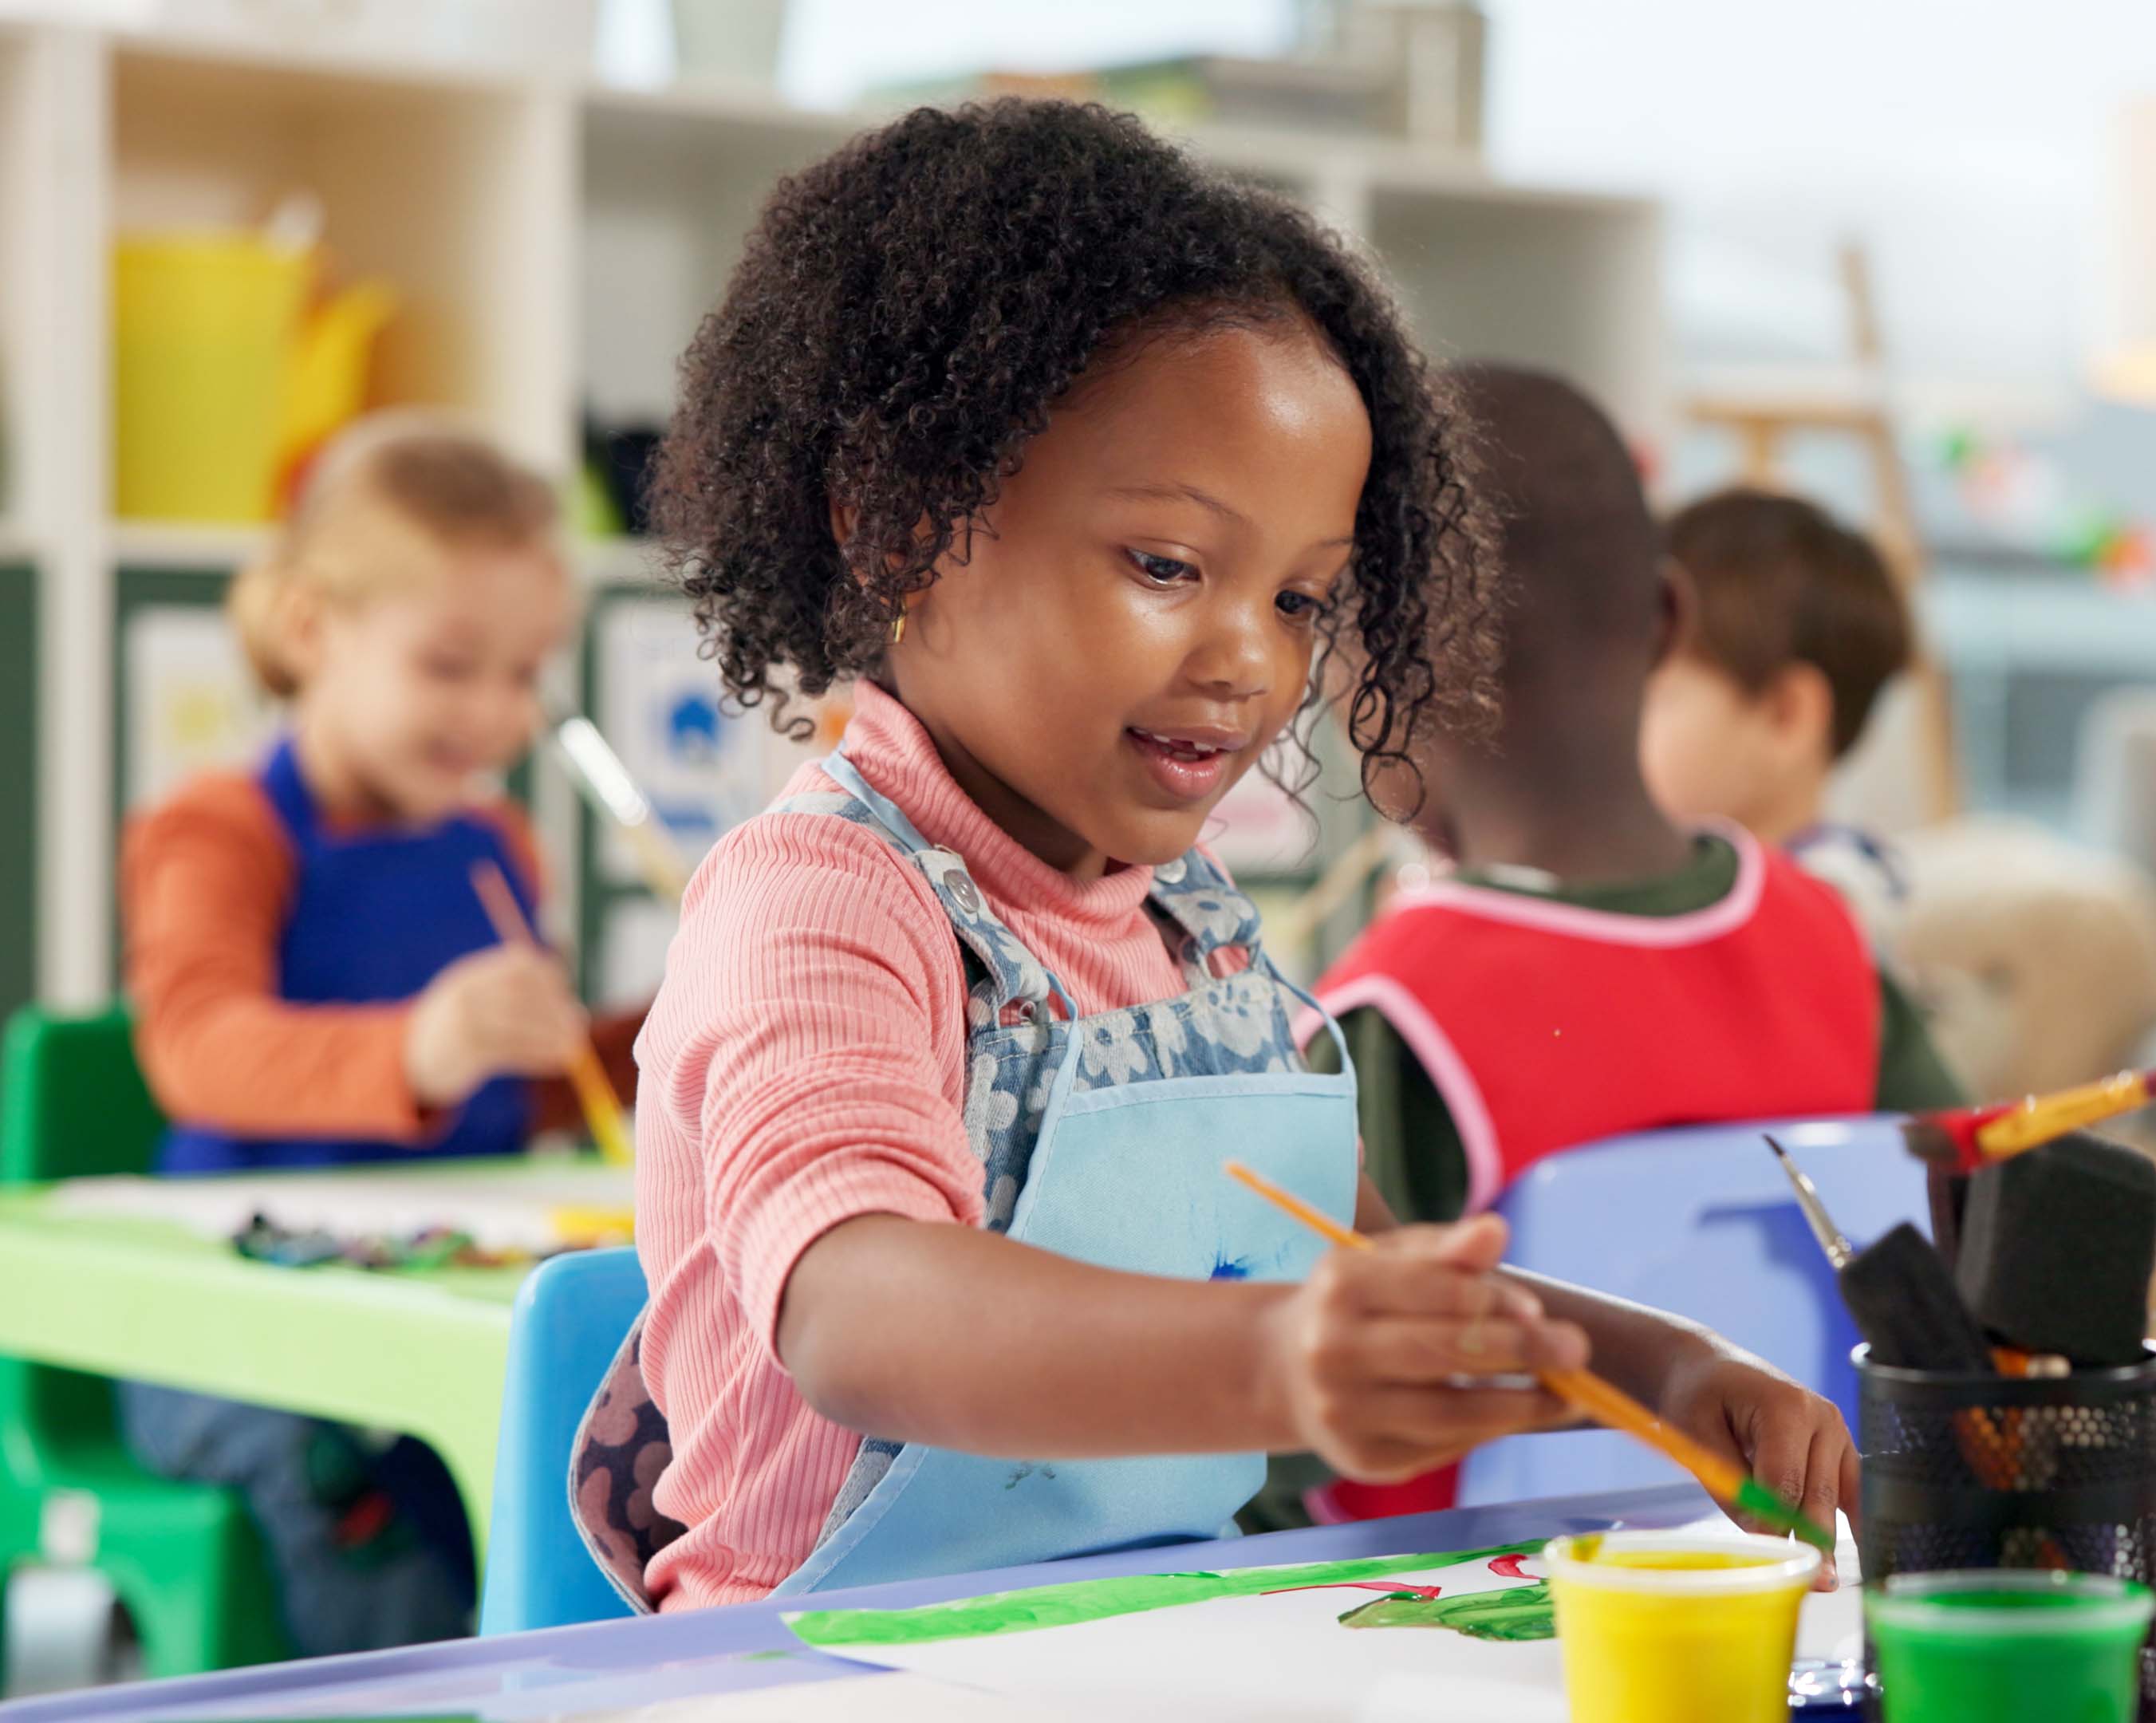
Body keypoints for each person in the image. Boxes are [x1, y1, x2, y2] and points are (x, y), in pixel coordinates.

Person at [593, 103, 1854, 1612]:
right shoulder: (820, 900)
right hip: (815, 1671)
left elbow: (1374, 1268)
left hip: (1152, 1639)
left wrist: (1648, 1363)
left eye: (1303, 601)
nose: (1249, 662)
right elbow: (860, 1306)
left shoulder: (1200, 931)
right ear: (896, 529)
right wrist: (1273, 1367)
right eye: (1167, 567)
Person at [1304, 369, 1967, 1520]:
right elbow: (1960, 1225)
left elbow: (1300, 1434)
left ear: (1360, 665)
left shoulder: (1391, 1012)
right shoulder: (1824, 935)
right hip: (1797, 1579)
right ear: (1667, 619)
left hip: (1443, 1622)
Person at [118, 415, 630, 1651]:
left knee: (598, 1438)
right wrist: (414, 1052)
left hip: (434, 1299)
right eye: (450, 665)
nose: (494, 717)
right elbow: (194, 1043)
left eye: (524, 676)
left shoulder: (493, 846)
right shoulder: (223, 828)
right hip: (234, 1334)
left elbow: (530, 1092)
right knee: (347, 1475)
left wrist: (658, 1037)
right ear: (310, 630)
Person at [1638, 487, 1917, 933]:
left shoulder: (1834, 898)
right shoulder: (1671, 870)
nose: (1610, 727)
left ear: (1784, 718)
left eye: (1650, 699)